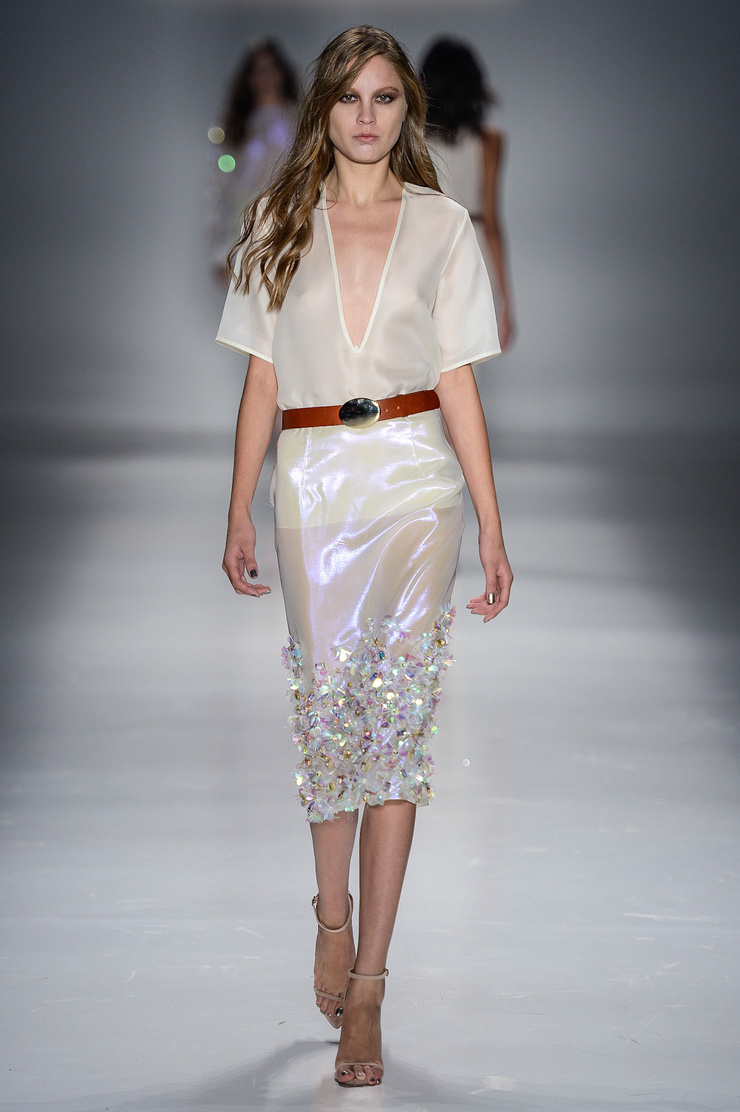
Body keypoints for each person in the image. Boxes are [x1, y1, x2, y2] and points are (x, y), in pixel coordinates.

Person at [216, 25, 513, 1088]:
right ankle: (330, 916)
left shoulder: (442, 224)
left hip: (417, 484)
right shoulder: (274, 220)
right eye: (348, 96)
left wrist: (489, 520)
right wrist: (237, 507)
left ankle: (371, 983)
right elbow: (260, 378)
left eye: (385, 97)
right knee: (330, 723)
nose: (366, 115)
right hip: (312, 483)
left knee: (395, 732)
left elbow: (458, 379)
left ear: (407, 111)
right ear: (324, 108)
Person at [420, 37, 515, 349]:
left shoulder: (412, 139)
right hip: (474, 250)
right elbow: (491, 220)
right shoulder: (489, 141)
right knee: (467, 360)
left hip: (426, 248)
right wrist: (506, 300)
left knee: (423, 357)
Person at [207, 40, 298, 284]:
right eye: (258, 70)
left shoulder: (300, 122)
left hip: (291, 232)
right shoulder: (234, 126)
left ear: (282, 72)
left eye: (271, 68)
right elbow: (220, 187)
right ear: (248, 78)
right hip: (245, 232)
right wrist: (220, 250)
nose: (265, 77)